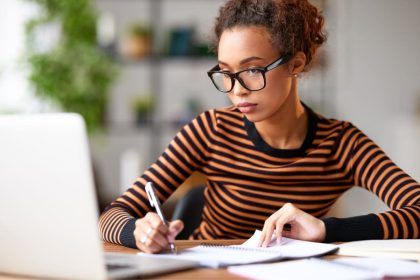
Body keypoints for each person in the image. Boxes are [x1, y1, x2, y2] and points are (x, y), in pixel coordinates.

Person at [99, 0, 420, 253]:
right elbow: (110, 217)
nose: (236, 89)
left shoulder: (341, 144)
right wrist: (137, 233)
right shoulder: (210, 130)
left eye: (252, 70)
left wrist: (327, 230)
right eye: (225, 72)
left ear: (296, 63)